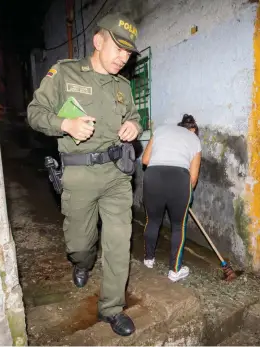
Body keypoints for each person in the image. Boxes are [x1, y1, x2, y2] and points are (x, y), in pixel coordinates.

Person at [27, 13, 142, 337]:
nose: (123, 57)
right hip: (79, 174)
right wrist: (65, 124)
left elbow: (134, 117)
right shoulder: (64, 73)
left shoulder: (123, 86)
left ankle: (111, 309)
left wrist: (135, 125)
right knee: (79, 242)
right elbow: (35, 113)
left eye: (128, 53)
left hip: (118, 174)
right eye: (118, 48)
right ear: (98, 41)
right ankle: (82, 262)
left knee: (119, 242)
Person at [140, 114, 202, 282]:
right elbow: (193, 178)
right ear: (192, 130)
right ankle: (175, 270)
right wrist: (186, 195)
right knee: (178, 226)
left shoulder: (161, 129)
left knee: (152, 220)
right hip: (179, 179)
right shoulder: (194, 139)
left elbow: (145, 160)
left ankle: (148, 260)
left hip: (153, 176)